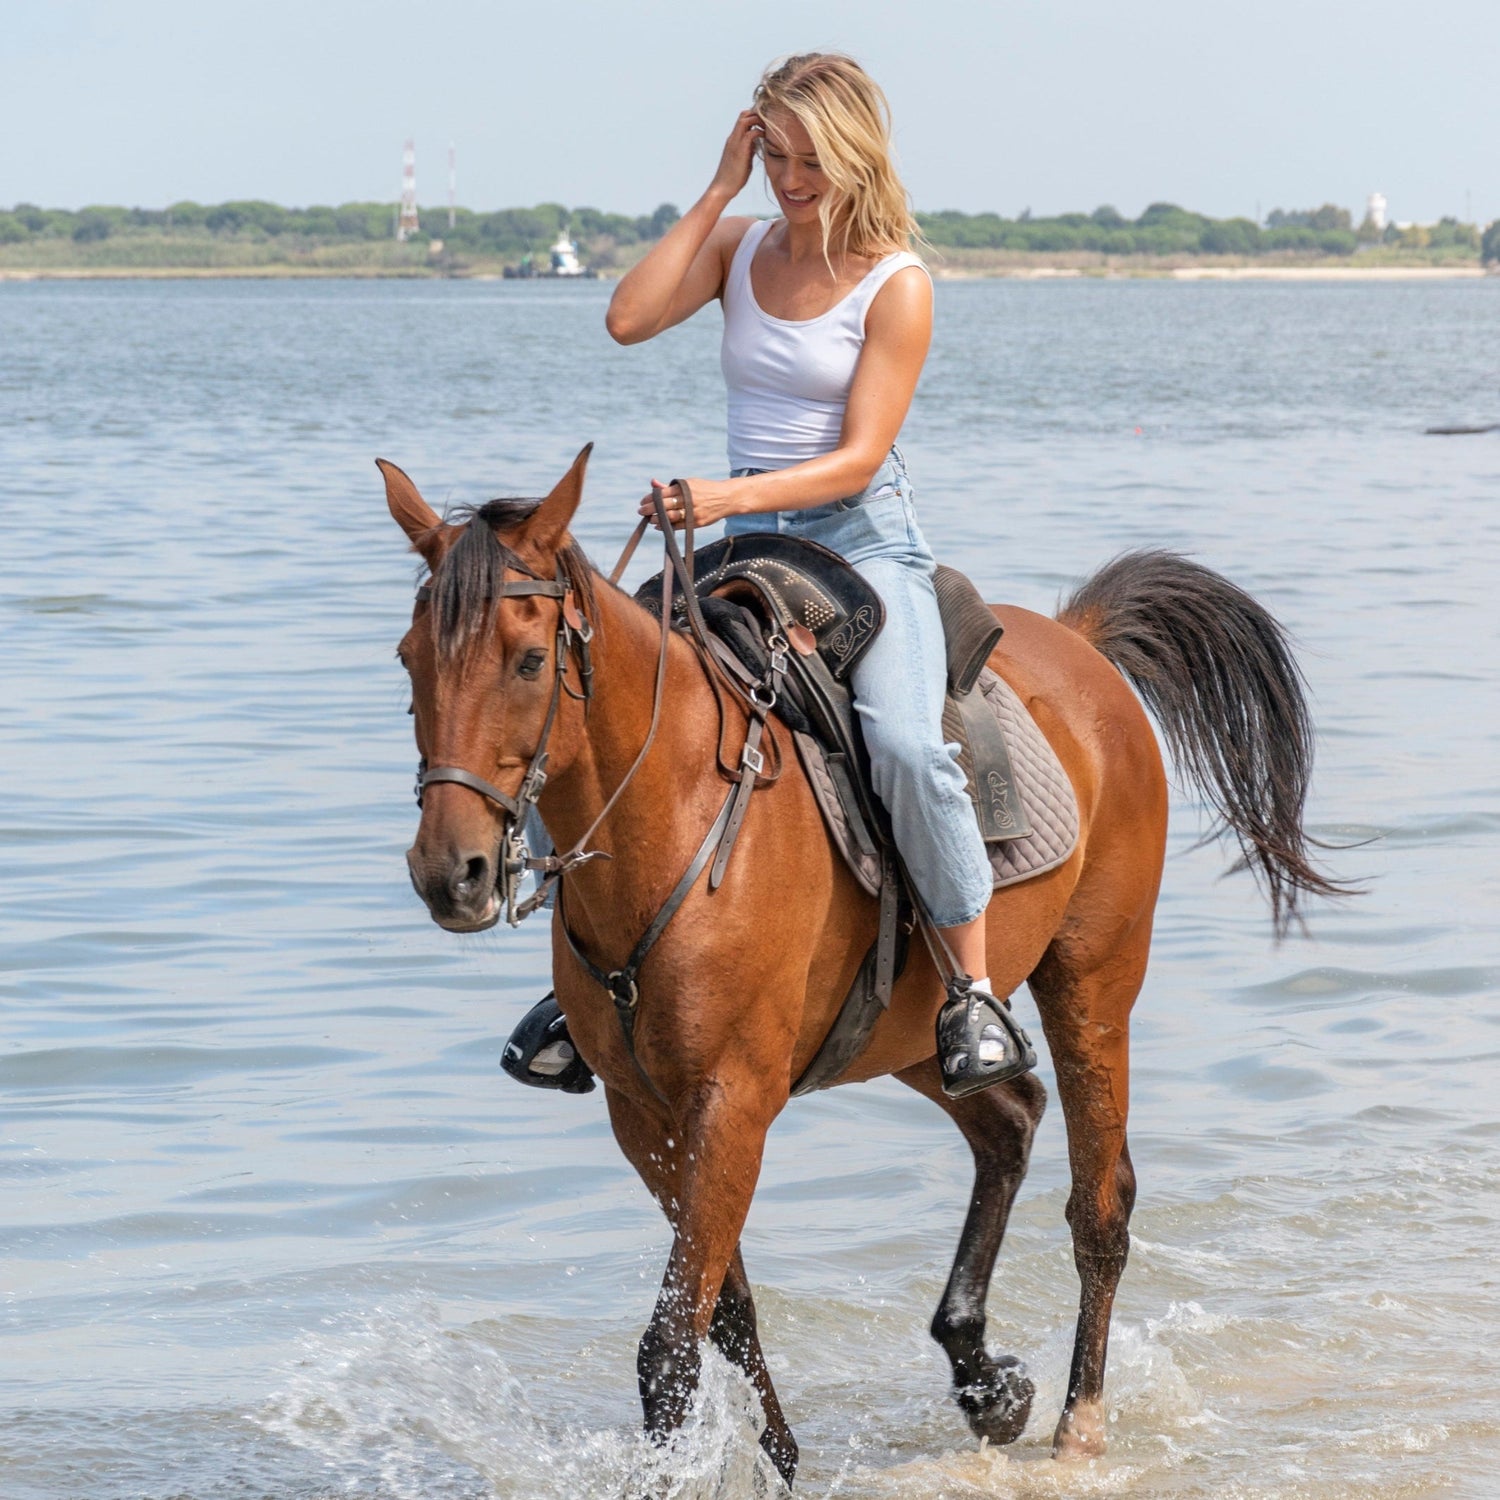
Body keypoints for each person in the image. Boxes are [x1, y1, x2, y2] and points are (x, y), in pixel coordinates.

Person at [509, 53, 1032, 1099]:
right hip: (744, 533)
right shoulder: (740, 249)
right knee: (573, 689)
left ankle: (974, 992)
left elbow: (858, 453)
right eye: (775, 157)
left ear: (855, 158)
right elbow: (624, 317)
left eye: (811, 161)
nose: (792, 181)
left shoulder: (898, 282)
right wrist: (714, 192)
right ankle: (580, 985)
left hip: (861, 540)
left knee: (901, 743)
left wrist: (721, 500)